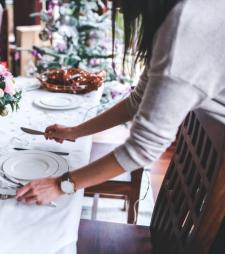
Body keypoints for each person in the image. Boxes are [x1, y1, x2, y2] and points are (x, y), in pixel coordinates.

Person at [16, 0, 225, 205]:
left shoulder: (188, 25)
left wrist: (61, 185)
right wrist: (74, 132)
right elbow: (136, 102)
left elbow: (143, 148)